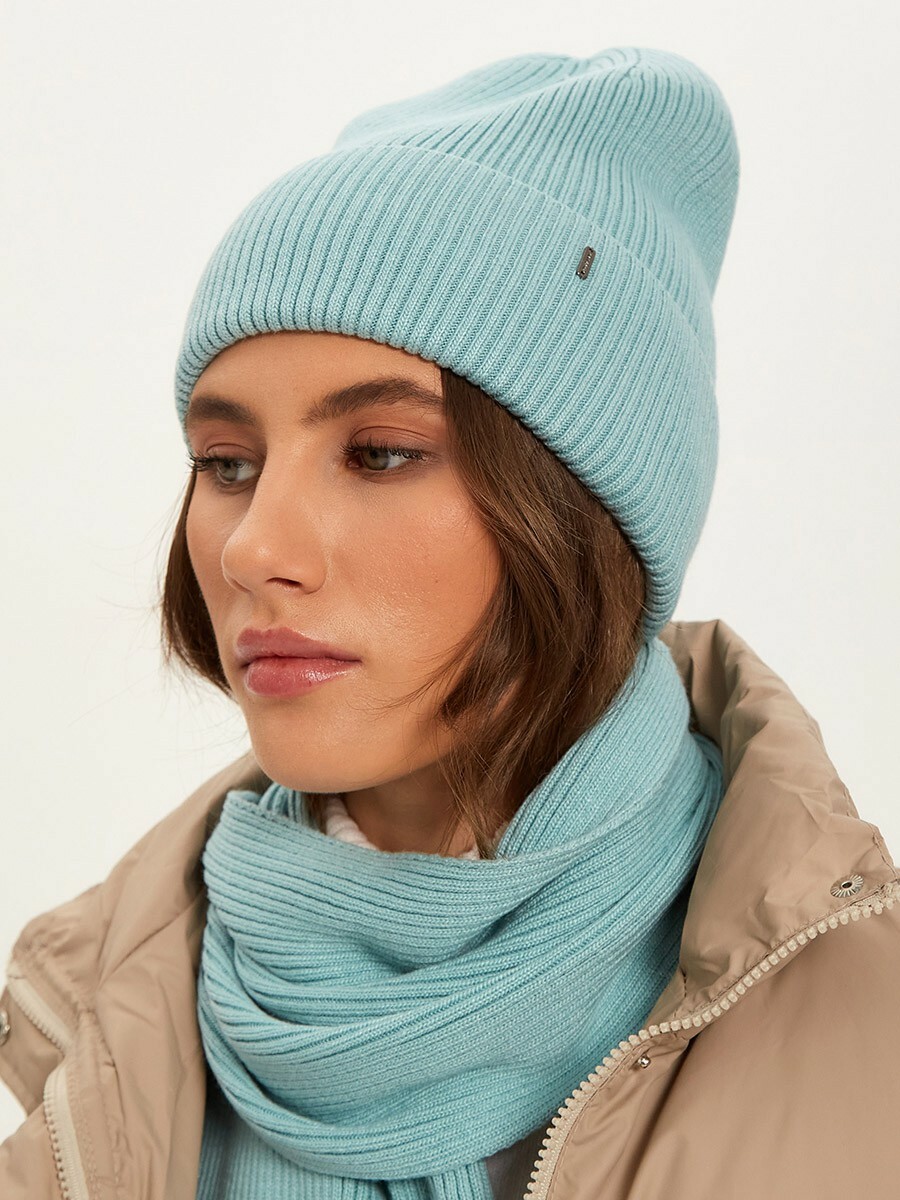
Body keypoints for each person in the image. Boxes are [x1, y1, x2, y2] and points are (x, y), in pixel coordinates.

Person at [1, 44, 898, 1200]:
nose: (252, 548)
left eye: (380, 452)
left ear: (578, 511)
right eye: (227, 463)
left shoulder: (866, 1037)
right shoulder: (91, 1033)